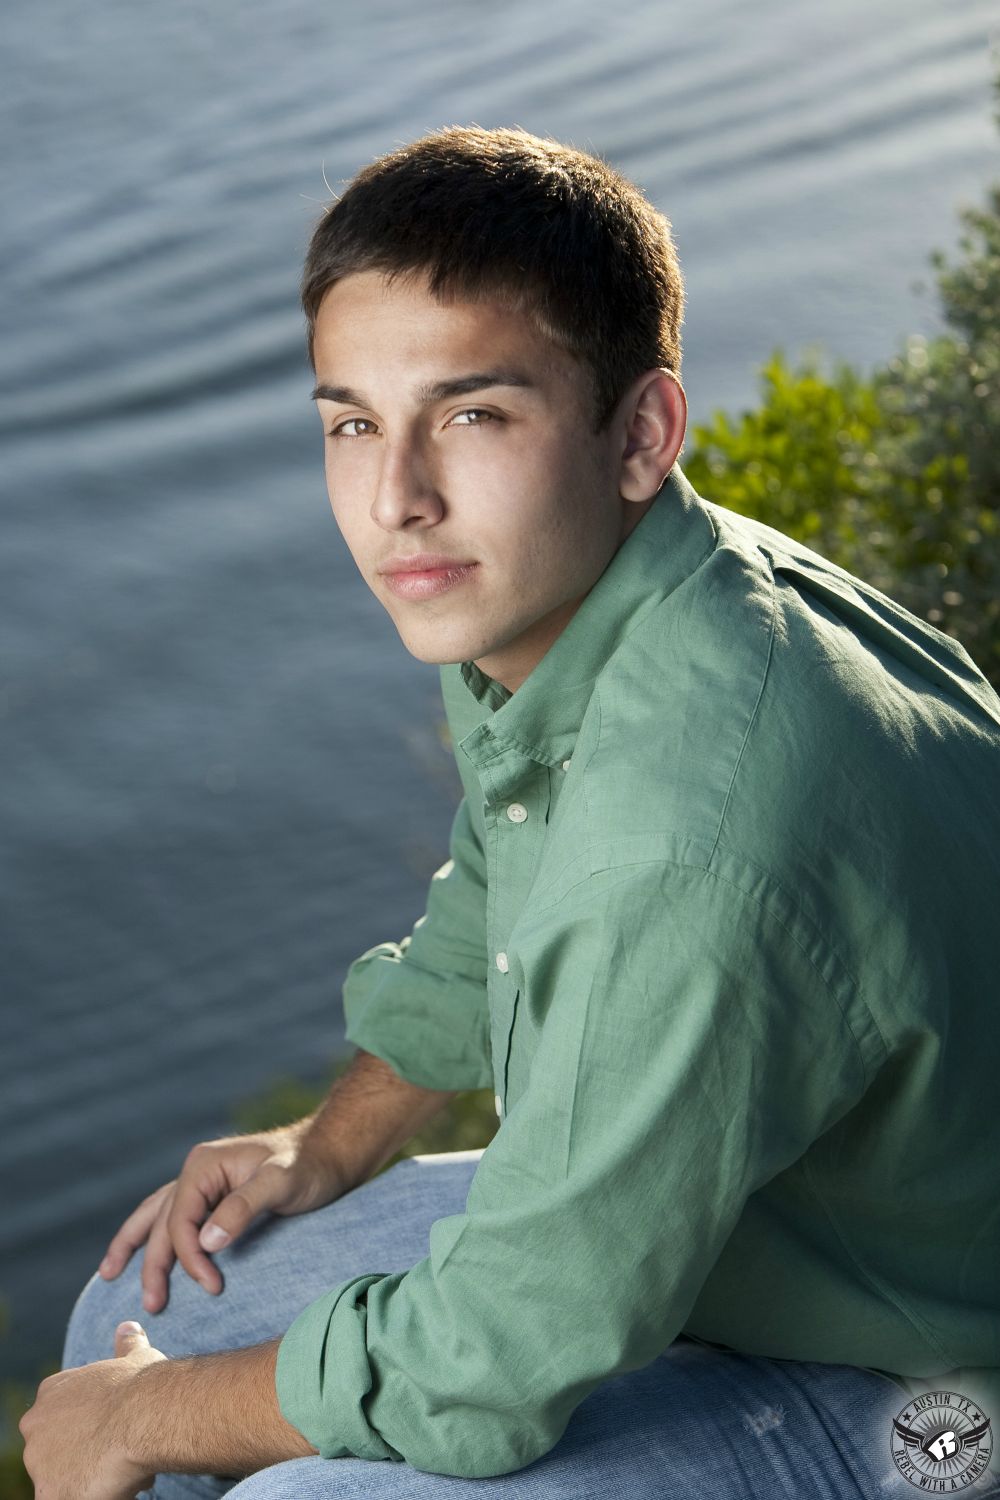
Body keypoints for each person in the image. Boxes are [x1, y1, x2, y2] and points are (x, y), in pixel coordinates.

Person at [22, 125, 1000, 1499]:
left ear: (640, 433)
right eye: (353, 421)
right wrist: (329, 1140)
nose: (395, 498)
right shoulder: (602, 600)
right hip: (761, 1229)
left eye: (473, 415)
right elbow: (501, 874)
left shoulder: (691, 837)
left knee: (279, 1480)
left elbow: (498, 1363)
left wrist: (139, 1421)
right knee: (148, 1306)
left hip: (925, 1382)